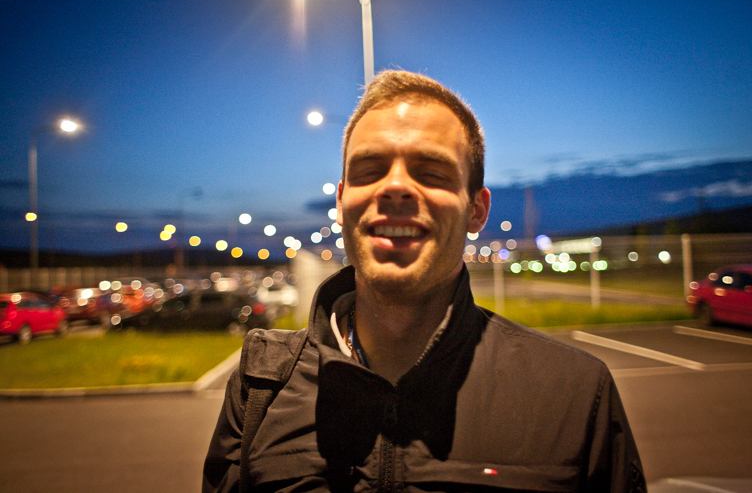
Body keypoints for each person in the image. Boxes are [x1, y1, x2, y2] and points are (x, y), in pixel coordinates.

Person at [203, 70, 646, 492]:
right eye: (369, 170)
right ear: (341, 202)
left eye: (431, 172)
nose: (395, 187)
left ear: (477, 209)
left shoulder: (573, 394)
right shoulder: (263, 386)